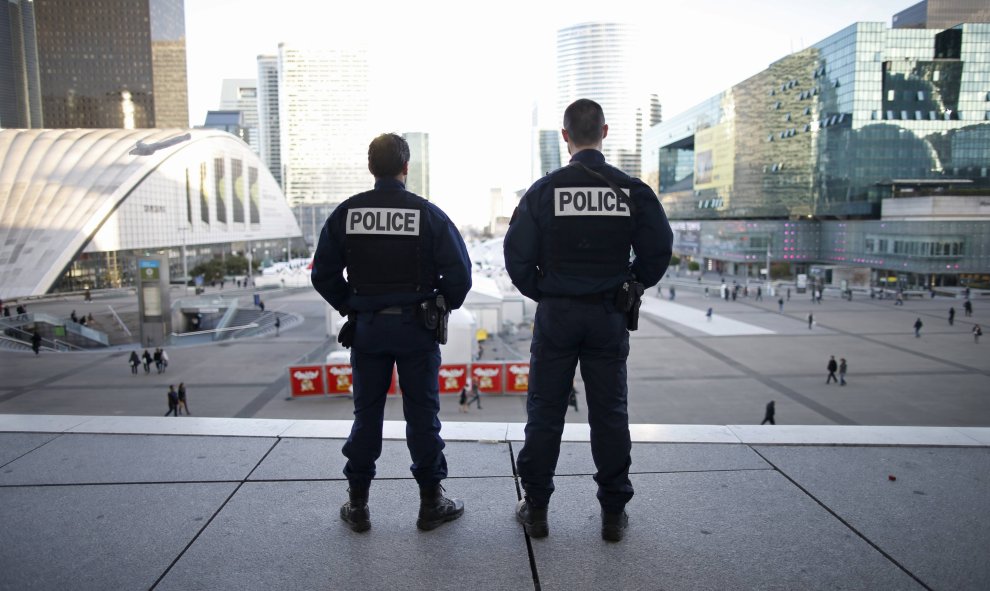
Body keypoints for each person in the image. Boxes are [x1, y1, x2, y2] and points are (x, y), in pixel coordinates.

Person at [503, 99, 673, 542]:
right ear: (605, 131)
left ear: (565, 137)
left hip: (558, 313)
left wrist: (548, 291)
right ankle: (613, 513)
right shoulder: (629, 190)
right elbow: (658, 249)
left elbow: (516, 257)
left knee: (545, 412)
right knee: (610, 413)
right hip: (608, 313)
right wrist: (631, 283)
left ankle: (537, 508)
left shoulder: (544, 191)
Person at [311, 132, 472, 534]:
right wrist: (440, 305)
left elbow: (322, 273)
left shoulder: (347, 213)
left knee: (366, 416)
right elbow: (460, 275)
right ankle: (431, 502)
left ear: (371, 169)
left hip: (367, 330)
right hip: (417, 329)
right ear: (406, 168)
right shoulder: (428, 214)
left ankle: (359, 504)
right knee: (422, 416)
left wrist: (351, 304)